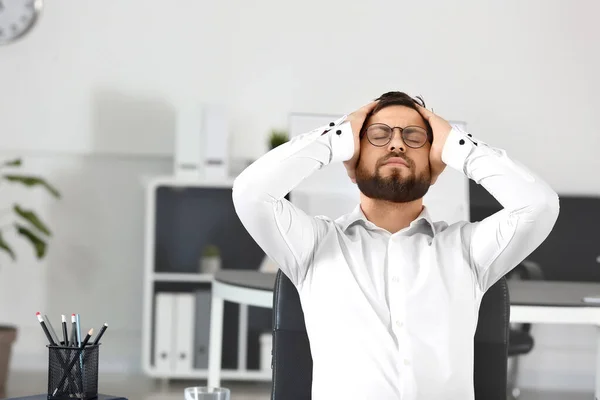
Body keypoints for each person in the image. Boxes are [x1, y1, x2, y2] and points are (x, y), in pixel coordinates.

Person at [232, 91, 559, 400]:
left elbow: (539, 205)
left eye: (414, 137)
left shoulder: (467, 249)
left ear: (435, 166)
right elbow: (250, 193)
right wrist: (338, 136)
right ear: (352, 161)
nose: (397, 144)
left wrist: (459, 147)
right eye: (379, 134)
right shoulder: (314, 245)